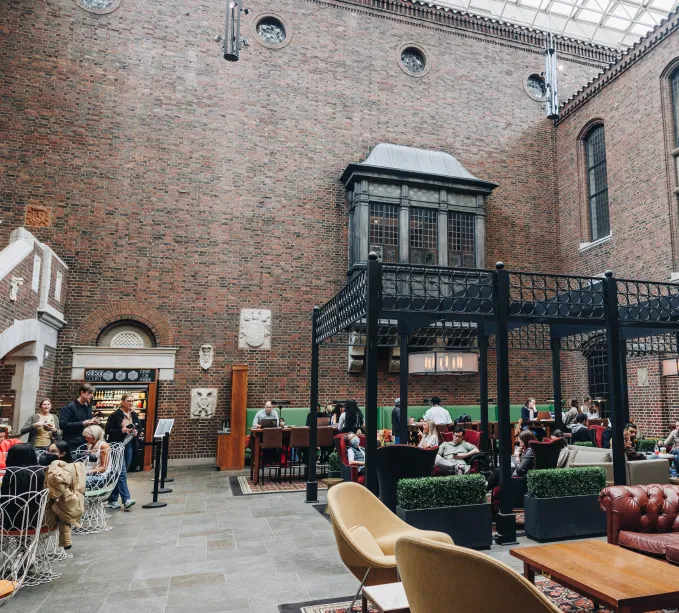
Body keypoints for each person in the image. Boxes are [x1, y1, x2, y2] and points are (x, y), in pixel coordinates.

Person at [44, 444, 85, 550]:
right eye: (48, 451)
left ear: (62, 454)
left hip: (54, 501)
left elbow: (57, 485)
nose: (49, 453)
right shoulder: (73, 466)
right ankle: (66, 541)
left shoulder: (56, 465)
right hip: (68, 502)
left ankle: (65, 541)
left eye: (53, 451)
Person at [104, 393, 138, 511]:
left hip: (129, 444)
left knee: (120, 472)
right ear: (122, 401)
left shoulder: (133, 414)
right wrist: (121, 430)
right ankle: (126, 499)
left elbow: (139, 426)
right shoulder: (115, 415)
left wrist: (136, 431)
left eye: (132, 401)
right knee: (121, 472)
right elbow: (108, 430)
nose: (131, 403)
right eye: (128, 400)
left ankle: (112, 500)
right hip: (117, 445)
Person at [1, 443, 44, 530]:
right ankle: (23, 542)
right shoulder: (39, 472)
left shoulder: (12, 474)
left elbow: (5, 497)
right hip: (36, 518)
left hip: (11, 521)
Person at [60, 384, 99, 452]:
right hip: (72, 443)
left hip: (85, 441)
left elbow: (87, 420)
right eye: (89, 393)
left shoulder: (88, 406)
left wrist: (92, 421)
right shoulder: (69, 407)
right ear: (82, 393)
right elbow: (62, 424)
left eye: (92, 393)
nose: (92, 395)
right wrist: (82, 423)